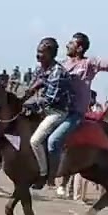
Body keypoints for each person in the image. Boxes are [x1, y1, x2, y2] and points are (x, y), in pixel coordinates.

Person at [46, 32, 108, 175]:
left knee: (54, 140)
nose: (67, 45)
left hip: (74, 114)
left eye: (71, 43)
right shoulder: (62, 65)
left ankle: (49, 174)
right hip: (58, 110)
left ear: (80, 48)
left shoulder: (88, 64)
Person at [26, 38, 71, 188]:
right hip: (42, 110)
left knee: (35, 141)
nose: (38, 56)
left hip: (56, 112)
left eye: (42, 53)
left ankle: (44, 175)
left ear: (51, 54)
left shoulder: (58, 72)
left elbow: (50, 99)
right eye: (37, 52)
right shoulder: (40, 69)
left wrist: (30, 103)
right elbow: (31, 87)